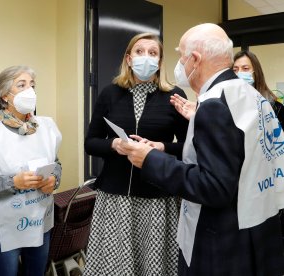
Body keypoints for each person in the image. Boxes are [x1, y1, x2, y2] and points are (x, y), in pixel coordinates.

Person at [121, 23, 284, 275]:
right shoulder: (250, 96)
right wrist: (166, 149)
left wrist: (150, 160)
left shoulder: (214, 105)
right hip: (259, 228)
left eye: (181, 57)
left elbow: (215, 186)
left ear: (195, 60)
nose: (179, 65)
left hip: (223, 245)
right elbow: (234, 155)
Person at [84, 33, 189, 275]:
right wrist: (114, 146)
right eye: (140, 52)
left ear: (160, 62)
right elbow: (91, 143)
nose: (146, 58)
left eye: (153, 53)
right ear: (128, 59)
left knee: (152, 266)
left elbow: (188, 147)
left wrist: (162, 148)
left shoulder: (174, 97)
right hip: (115, 198)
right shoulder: (110, 94)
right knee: (114, 266)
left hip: (157, 198)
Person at [0, 65, 62, 276]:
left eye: (33, 85)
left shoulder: (45, 128)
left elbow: (56, 165)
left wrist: (53, 180)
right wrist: (13, 183)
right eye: (22, 85)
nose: (30, 91)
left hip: (39, 220)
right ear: (4, 95)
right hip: (3, 225)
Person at [171, 50, 284, 123]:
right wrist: (200, 117)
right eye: (235, 70)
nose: (239, 73)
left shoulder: (275, 107)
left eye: (245, 69)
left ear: (256, 72)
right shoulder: (224, 105)